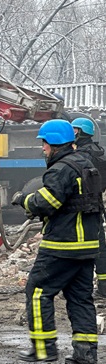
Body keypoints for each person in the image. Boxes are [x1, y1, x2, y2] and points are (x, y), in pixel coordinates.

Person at [11, 119, 101, 364]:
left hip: (63, 245)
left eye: (44, 143)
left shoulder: (61, 169)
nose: (43, 148)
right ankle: (85, 354)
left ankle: (43, 349)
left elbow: (47, 203)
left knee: (38, 292)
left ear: (54, 143)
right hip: (87, 246)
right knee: (80, 298)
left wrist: (24, 200)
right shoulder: (86, 164)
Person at [72, 117, 106, 296]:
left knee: (80, 248)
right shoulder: (100, 152)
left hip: (81, 207)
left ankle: (79, 287)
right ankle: (104, 286)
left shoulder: (80, 156)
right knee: (100, 246)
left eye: (75, 130)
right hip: (97, 205)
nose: (73, 133)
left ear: (82, 132)